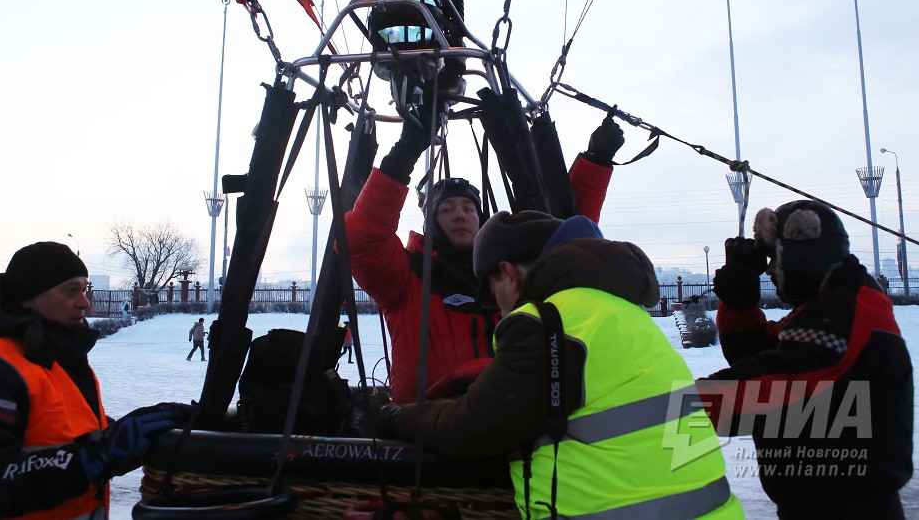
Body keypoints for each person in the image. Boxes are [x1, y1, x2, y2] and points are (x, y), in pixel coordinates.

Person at [388, 211, 741, 518]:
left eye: (494, 293)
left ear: (509, 275)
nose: (499, 308)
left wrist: (397, 416)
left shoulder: (546, 322)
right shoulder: (619, 310)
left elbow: (472, 427)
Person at [344, 113, 625, 404]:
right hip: (425, 423)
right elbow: (361, 240)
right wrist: (406, 150)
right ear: (431, 222)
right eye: (447, 209)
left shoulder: (507, 274)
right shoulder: (407, 276)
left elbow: (566, 244)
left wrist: (596, 161)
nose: (460, 215)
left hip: (507, 417)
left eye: (469, 208)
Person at [0, 241, 185, 518]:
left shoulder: (55, 360)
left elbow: (65, 440)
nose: (85, 302)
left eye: (85, 289)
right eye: (71, 291)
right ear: (28, 297)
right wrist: (101, 453)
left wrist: (141, 437)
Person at [698, 201, 913, 518]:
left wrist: (680, 409)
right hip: (822, 501)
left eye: (776, 259)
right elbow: (761, 355)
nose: (770, 271)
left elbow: (780, 384)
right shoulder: (827, 306)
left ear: (802, 255)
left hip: (849, 509)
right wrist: (739, 303)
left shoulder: (847, 311)